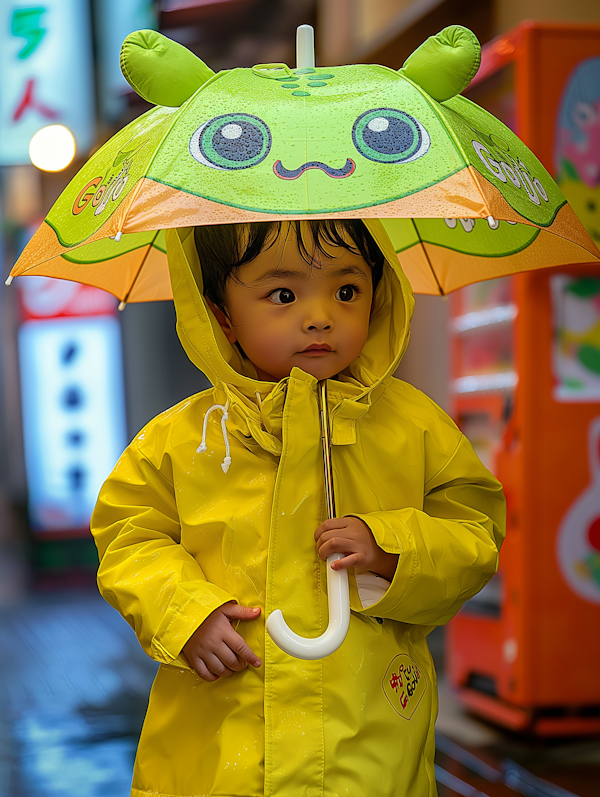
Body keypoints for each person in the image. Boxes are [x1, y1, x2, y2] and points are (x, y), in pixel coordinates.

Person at [91, 218, 505, 797]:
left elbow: (475, 531)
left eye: (347, 290)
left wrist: (392, 547)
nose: (320, 315)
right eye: (283, 294)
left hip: (368, 742)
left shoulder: (414, 428)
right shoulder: (181, 441)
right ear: (221, 316)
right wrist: (186, 613)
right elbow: (129, 538)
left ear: (378, 296)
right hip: (220, 748)